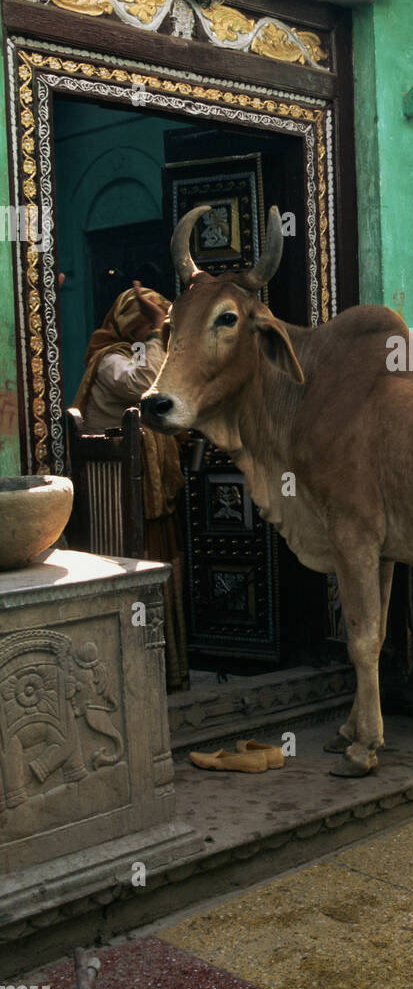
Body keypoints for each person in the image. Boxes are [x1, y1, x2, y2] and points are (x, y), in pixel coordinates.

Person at [72, 284, 190, 693]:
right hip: (122, 500)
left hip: (152, 496)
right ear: (130, 325)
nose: (154, 336)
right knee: (139, 571)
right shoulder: (110, 361)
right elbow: (146, 384)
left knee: (162, 570)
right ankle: (138, 680)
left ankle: (168, 673)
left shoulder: (146, 351)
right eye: (147, 327)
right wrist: (158, 330)